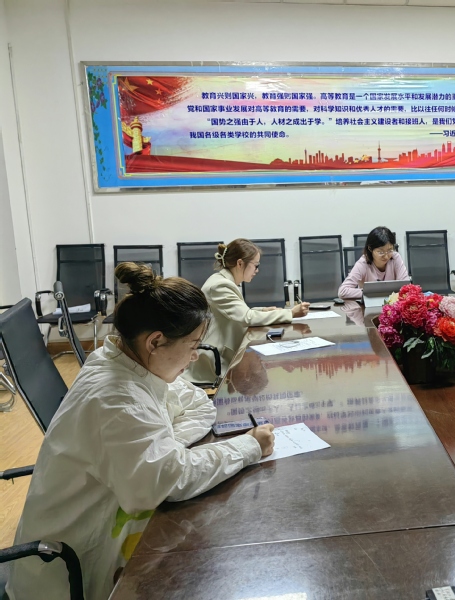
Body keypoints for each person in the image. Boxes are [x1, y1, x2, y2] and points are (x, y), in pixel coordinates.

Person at [6, 263, 275, 600]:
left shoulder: (123, 361)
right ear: (156, 341)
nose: (195, 356)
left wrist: (167, 445)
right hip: (65, 575)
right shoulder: (117, 397)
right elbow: (169, 479)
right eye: (193, 344)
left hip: (107, 535)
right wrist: (248, 447)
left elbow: (197, 404)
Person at [184, 239, 309, 384]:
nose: (257, 270)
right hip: (214, 361)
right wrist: (291, 313)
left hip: (221, 352)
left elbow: (235, 313)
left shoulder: (224, 281)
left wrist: (262, 310)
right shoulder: (220, 285)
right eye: (256, 265)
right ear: (240, 263)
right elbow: (247, 317)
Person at [338, 226, 409, 300]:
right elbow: (343, 291)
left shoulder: (395, 258)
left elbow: (406, 287)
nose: (386, 256)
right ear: (370, 248)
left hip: (392, 305)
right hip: (368, 305)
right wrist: (371, 293)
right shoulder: (363, 263)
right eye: (381, 252)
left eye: (390, 250)